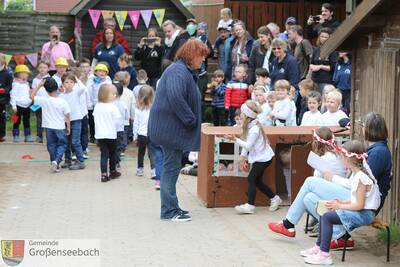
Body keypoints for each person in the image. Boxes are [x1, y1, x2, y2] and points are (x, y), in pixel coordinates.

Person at [148, 39, 208, 222]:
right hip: (170, 130)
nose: (203, 60)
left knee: (170, 168)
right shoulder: (178, 71)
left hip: (169, 129)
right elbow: (176, 97)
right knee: (171, 168)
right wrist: (190, 119)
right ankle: (169, 211)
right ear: (191, 54)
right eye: (201, 56)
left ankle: (171, 207)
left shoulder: (181, 70)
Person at [302, 140, 380, 265]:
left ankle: (324, 254)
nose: (341, 159)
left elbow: (359, 205)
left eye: (342, 156)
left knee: (327, 217)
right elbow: (356, 199)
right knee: (326, 213)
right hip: (361, 211)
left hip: (365, 214)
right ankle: (319, 247)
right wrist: (342, 202)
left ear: (349, 159)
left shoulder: (361, 178)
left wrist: (340, 206)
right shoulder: (356, 175)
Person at [268, 127, 347, 238]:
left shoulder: (324, 159)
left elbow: (315, 183)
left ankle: (288, 223)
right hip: (338, 194)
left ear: (317, 143)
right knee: (308, 198)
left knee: (309, 183)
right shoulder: (338, 155)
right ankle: (336, 230)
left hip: (338, 198)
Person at [224, 101, 282, 214]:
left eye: (242, 112)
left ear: (247, 115)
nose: (240, 114)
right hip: (259, 157)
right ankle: (275, 199)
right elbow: (247, 142)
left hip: (263, 158)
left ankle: (250, 206)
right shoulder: (250, 125)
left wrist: (234, 139)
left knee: (251, 179)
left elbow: (248, 145)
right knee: (257, 181)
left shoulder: (254, 129)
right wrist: (242, 157)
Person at [30, 77, 70, 173]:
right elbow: (67, 115)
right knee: (63, 144)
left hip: (48, 127)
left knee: (51, 145)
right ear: (57, 88)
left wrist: (39, 86)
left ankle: (54, 163)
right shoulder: (63, 101)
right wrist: (68, 127)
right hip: (60, 127)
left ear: (46, 90)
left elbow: (31, 96)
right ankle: (56, 160)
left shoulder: (44, 100)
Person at [93, 84, 122, 182]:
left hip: (100, 135)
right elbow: (117, 120)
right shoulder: (113, 107)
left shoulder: (97, 106)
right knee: (113, 154)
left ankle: (104, 174)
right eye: (113, 94)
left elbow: (95, 118)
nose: (115, 95)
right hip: (111, 134)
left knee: (104, 155)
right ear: (105, 95)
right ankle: (113, 171)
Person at [58, 73, 86, 170]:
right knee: (66, 142)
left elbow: (83, 88)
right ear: (62, 84)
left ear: (74, 83)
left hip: (76, 120)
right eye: (66, 82)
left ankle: (80, 161)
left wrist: (77, 79)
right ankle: (68, 160)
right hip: (65, 122)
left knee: (75, 141)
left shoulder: (76, 92)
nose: (69, 84)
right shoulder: (61, 95)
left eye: (71, 82)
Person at [133, 85, 155, 178]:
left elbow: (136, 124)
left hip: (141, 134)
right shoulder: (154, 109)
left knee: (141, 153)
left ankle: (140, 169)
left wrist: (135, 136)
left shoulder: (138, 109)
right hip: (151, 134)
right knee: (152, 153)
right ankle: (154, 170)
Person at [87, 63, 112, 143]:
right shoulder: (92, 80)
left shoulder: (108, 80)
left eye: (104, 71)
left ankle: (102, 137)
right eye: (100, 71)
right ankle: (93, 136)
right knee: (92, 121)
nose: (102, 73)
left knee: (102, 121)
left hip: (104, 104)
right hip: (94, 104)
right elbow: (89, 91)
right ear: (96, 72)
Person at [310, 28, 338, 92]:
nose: (323, 39)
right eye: (322, 36)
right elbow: (311, 63)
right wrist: (312, 67)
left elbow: (333, 67)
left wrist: (320, 66)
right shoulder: (316, 50)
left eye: (326, 37)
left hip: (326, 81)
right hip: (315, 80)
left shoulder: (332, 51)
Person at [10, 65, 33, 143]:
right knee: (16, 120)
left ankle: (27, 136)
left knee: (26, 120)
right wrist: (13, 106)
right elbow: (13, 95)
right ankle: (16, 136)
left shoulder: (26, 83)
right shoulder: (16, 84)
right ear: (20, 74)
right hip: (18, 106)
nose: (27, 75)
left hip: (27, 105)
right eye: (26, 73)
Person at [114, 71, 135, 152]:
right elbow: (133, 106)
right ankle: (122, 148)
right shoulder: (130, 92)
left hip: (114, 116)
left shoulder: (113, 91)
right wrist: (132, 117)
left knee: (116, 132)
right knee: (124, 133)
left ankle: (117, 147)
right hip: (125, 117)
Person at [31, 61, 50, 143]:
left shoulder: (50, 79)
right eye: (41, 67)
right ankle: (39, 136)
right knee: (39, 120)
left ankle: (49, 136)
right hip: (38, 103)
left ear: (48, 69)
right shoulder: (35, 80)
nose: (42, 69)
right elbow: (33, 91)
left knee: (48, 120)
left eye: (45, 67)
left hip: (48, 103)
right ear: (38, 68)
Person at [112, 81, 129, 167]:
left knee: (111, 146)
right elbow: (127, 116)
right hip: (120, 128)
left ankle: (112, 160)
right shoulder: (123, 104)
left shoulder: (109, 104)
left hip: (110, 129)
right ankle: (117, 161)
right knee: (118, 146)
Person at [0, 54, 13, 142]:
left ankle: (1, 135)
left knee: (1, 116)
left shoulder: (7, 73)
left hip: (2, 99)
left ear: (3, 62)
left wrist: (4, 90)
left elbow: (10, 86)